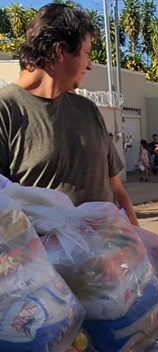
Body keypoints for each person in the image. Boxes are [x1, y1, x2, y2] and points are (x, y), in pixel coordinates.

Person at [0, 3, 138, 226]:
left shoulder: (88, 109)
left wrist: (141, 247)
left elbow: (117, 189)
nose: (90, 65)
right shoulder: (6, 110)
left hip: (108, 257)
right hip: (45, 260)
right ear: (59, 51)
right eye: (86, 53)